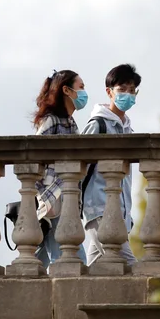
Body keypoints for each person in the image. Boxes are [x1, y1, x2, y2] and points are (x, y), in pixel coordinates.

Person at [80, 64, 141, 266]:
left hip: (120, 212)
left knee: (95, 263)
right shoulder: (99, 124)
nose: (128, 95)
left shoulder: (127, 129)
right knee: (129, 264)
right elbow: (79, 164)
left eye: (132, 91)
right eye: (122, 89)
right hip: (99, 208)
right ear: (109, 92)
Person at [33, 69, 89, 269]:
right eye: (80, 87)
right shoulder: (52, 120)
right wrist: (44, 194)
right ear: (66, 90)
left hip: (65, 197)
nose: (84, 93)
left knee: (44, 258)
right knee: (71, 257)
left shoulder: (70, 122)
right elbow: (34, 158)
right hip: (54, 197)